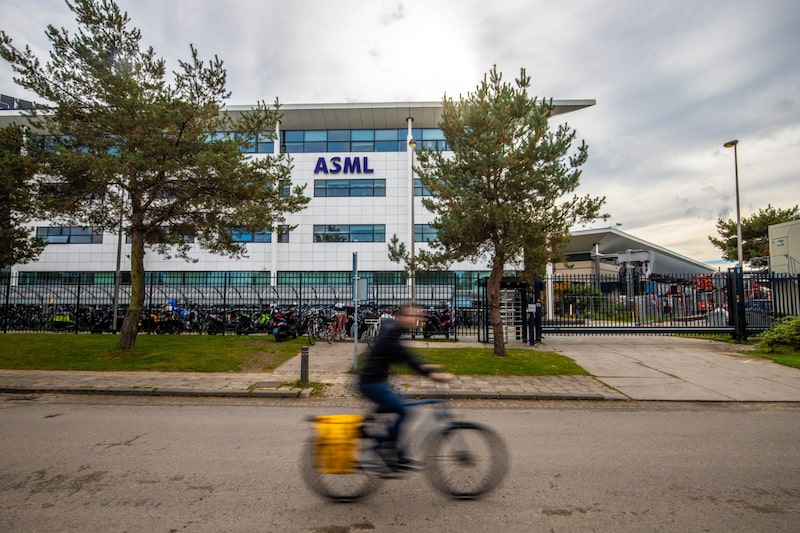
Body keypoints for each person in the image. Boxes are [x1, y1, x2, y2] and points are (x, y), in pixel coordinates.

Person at [358, 303, 453, 469]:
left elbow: (402, 356)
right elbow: (406, 357)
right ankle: (388, 452)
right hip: (372, 383)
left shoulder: (393, 329)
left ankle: (393, 450)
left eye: (419, 316)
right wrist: (430, 374)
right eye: (413, 315)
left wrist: (426, 367)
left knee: (399, 403)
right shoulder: (393, 331)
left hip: (377, 381)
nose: (417, 319)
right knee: (402, 410)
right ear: (401, 316)